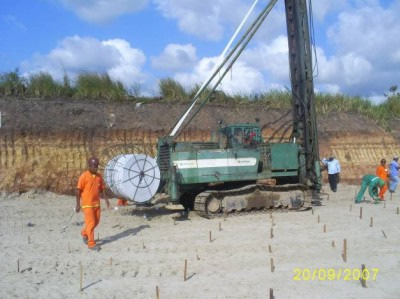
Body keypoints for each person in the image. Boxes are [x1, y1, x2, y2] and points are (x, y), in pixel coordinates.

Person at [75, 157, 110, 251]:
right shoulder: (84, 176)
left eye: (97, 166)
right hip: (87, 204)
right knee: (91, 223)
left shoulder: (99, 177)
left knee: (96, 222)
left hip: (96, 204)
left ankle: (84, 233)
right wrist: (78, 204)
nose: (95, 168)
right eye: (93, 166)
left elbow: (102, 189)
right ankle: (91, 244)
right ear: (89, 166)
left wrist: (106, 200)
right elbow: (78, 191)